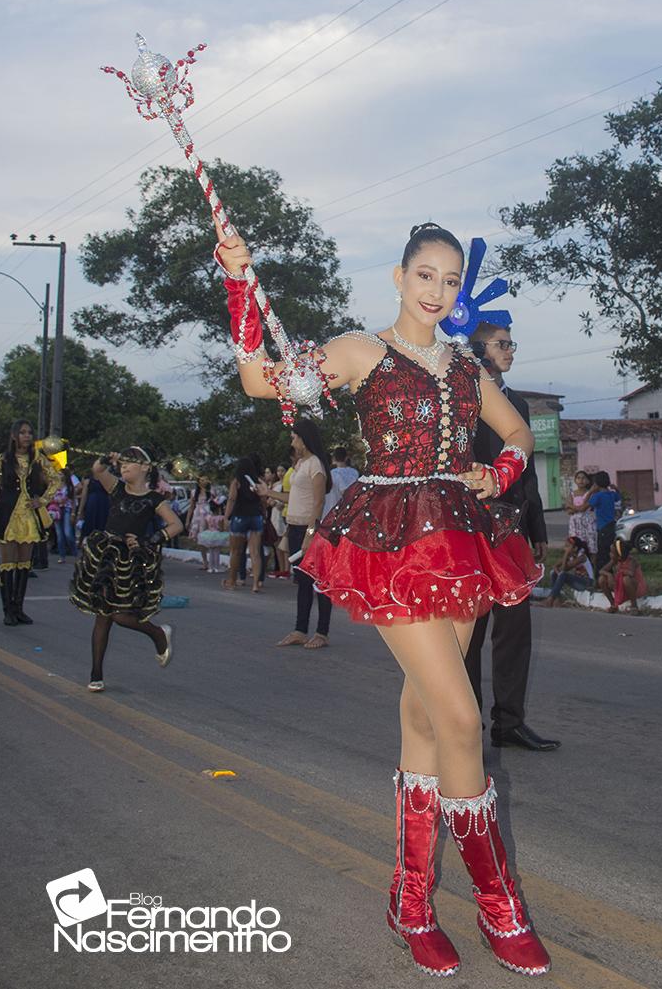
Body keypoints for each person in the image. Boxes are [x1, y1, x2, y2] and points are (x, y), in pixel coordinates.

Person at [216, 218, 550, 977]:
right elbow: (258, 377)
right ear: (400, 277)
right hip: (390, 542)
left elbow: (516, 436)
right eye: (424, 275)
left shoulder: (467, 366)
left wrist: (497, 474)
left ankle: (408, 898)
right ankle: (498, 904)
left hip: (462, 541)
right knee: (461, 713)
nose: (437, 290)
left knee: (425, 717)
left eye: (449, 280)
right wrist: (240, 281)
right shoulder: (360, 350)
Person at [463, 322, 559, 755]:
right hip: (469, 530)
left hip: (512, 530)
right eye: (502, 345)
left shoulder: (516, 402)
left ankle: (510, 722)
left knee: (516, 630)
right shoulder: (460, 397)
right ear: (479, 350)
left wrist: (536, 528)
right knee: (470, 633)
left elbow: (528, 474)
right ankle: (465, 726)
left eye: (510, 344)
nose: (511, 351)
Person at [69, 447, 183, 690]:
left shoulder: (153, 499)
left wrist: (151, 540)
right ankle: (95, 674)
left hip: (130, 561)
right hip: (106, 557)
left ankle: (158, 634)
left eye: (131, 462)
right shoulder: (117, 488)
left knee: (120, 615)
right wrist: (105, 459)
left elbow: (176, 525)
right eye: (122, 462)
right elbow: (97, 470)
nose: (124, 466)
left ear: (145, 468)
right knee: (103, 616)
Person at [0, 419, 60, 626]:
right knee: (8, 563)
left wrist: (42, 500)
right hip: (7, 515)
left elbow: (56, 479)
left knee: (24, 564)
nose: (27, 436)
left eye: (30, 432)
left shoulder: (37, 459)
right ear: (14, 436)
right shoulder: (3, 459)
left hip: (29, 516)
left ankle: (19, 608)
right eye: (23, 432)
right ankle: (7, 609)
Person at [277, 418, 332, 648]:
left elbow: (318, 503)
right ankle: (300, 630)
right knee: (303, 582)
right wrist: (268, 494)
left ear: (303, 437)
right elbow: (295, 498)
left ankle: (321, 633)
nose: (292, 442)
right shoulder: (301, 464)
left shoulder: (315, 464)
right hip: (296, 527)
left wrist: (310, 534)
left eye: (293, 437)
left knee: (319, 583)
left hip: (312, 529)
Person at [222, 455, 265, 592]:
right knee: (255, 552)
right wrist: (263, 513)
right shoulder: (258, 481)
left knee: (236, 551)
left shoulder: (237, 482)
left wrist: (226, 517)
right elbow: (263, 499)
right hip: (256, 516)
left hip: (240, 516)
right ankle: (255, 584)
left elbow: (231, 499)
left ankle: (232, 581)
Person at [541, 535, 595, 606]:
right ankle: (557, 599)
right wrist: (558, 572)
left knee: (563, 574)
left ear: (575, 548)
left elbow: (563, 569)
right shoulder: (572, 556)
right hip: (578, 581)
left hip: (586, 583)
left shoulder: (581, 557)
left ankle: (550, 599)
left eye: (567, 546)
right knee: (553, 573)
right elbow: (555, 566)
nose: (565, 549)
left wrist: (566, 554)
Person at [597, 538, 647, 613]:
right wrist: (609, 575)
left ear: (619, 556)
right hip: (620, 586)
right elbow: (601, 571)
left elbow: (631, 573)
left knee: (626, 579)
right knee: (602, 579)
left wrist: (620, 571)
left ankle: (634, 606)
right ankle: (613, 604)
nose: (609, 554)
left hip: (634, 588)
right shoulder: (614, 561)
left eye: (612, 553)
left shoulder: (631, 561)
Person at [589, 471, 619, 579]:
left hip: (602, 528)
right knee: (609, 551)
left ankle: (601, 576)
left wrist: (591, 491)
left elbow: (589, 504)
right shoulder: (611, 494)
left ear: (596, 484)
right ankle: (610, 572)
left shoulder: (598, 496)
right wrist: (615, 488)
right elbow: (618, 497)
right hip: (611, 526)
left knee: (601, 554)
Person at [187, 477, 217, 572]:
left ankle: (212, 561)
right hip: (198, 516)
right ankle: (205, 562)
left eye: (206, 479)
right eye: (202, 480)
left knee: (210, 538)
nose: (204, 481)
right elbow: (191, 507)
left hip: (208, 516)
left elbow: (217, 504)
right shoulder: (194, 492)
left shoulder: (211, 492)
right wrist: (188, 520)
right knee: (200, 539)